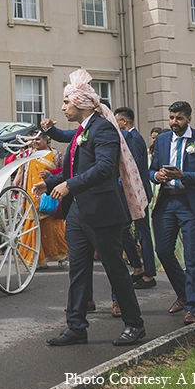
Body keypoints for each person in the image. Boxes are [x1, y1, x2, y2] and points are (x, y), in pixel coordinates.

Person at [33, 69, 146, 348]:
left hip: (103, 211)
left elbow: (105, 169)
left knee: (114, 269)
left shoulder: (104, 129)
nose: (62, 107)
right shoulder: (81, 132)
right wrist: (49, 184)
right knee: (78, 270)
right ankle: (76, 327)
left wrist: (69, 185)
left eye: (66, 102)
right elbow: (74, 168)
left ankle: (135, 324)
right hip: (78, 212)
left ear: (81, 104)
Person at [150, 100, 195, 325]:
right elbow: (151, 169)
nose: (174, 123)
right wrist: (156, 176)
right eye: (171, 118)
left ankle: (192, 307)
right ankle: (183, 293)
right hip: (167, 202)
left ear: (188, 118)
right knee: (163, 250)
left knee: (192, 257)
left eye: (178, 118)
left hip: (191, 203)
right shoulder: (162, 139)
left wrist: (183, 175)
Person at [114, 106, 157, 291]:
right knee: (125, 230)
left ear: (124, 121)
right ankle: (138, 267)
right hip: (129, 191)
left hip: (136, 192)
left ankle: (148, 274)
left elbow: (134, 167)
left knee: (142, 233)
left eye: (117, 120)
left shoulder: (133, 138)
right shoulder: (130, 137)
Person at [15, 133, 68, 270]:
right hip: (31, 194)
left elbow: (65, 172)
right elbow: (21, 173)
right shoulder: (27, 155)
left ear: (46, 140)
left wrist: (50, 175)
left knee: (53, 227)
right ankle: (37, 260)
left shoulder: (56, 155)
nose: (35, 142)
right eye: (33, 140)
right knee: (32, 225)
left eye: (38, 139)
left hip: (50, 195)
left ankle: (61, 255)